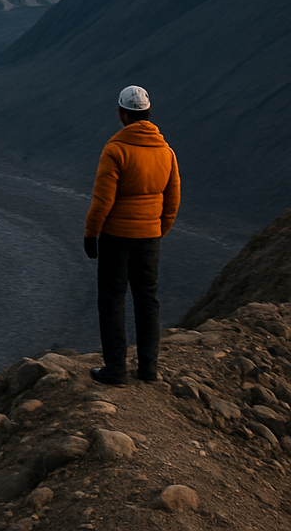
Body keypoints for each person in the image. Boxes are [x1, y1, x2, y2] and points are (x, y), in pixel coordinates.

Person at [83, 85, 181, 385]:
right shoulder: (166, 152)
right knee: (147, 299)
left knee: (112, 299)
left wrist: (91, 233)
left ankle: (115, 370)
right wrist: (159, 229)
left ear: (121, 113)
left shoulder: (116, 150)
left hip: (117, 237)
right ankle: (148, 369)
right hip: (149, 237)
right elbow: (173, 197)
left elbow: (103, 200)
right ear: (148, 113)